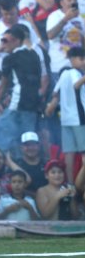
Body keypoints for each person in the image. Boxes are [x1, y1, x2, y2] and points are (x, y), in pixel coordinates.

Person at [0, 26, 41, 155]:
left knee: (2, 139)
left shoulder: (10, 58)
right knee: (26, 142)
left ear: (17, 41)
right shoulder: (34, 54)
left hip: (17, 105)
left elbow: (3, 84)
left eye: (6, 41)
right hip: (32, 106)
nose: (3, 45)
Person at [45, 47, 85, 184]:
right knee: (83, 151)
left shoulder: (63, 74)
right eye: (82, 59)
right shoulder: (75, 72)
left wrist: (51, 106)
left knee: (69, 153)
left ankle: (70, 183)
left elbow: (55, 93)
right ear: (74, 59)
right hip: (79, 117)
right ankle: (80, 183)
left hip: (65, 119)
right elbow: (76, 86)